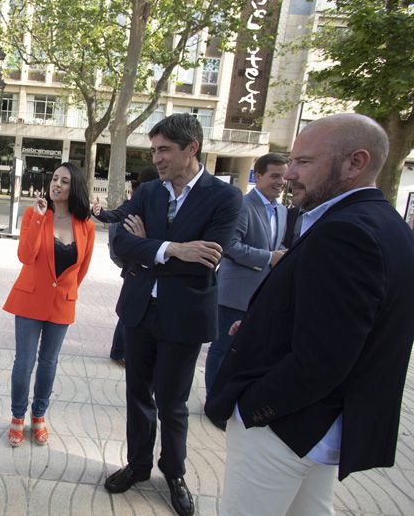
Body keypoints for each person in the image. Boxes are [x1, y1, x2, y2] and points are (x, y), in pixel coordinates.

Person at [205, 113, 414, 515]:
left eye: (304, 162)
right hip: (319, 426)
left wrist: (252, 408)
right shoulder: (386, 225)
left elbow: (324, 359)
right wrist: (263, 327)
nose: (290, 174)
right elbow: (344, 323)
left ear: (355, 162)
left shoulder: (346, 232)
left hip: (287, 426)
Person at [104, 113, 241, 516]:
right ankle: (139, 465)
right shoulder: (149, 192)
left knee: (172, 400)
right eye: (154, 150)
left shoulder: (225, 197)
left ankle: (174, 472)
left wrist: (154, 247)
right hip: (140, 309)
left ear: (191, 148)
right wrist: (174, 249)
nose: (157, 158)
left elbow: (206, 260)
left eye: (164, 149)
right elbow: (124, 244)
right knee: (137, 394)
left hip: (184, 317)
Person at [2, 162, 95, 447]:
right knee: (24, 363)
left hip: (61, 304)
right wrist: (40, 219)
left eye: (64, 181)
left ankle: (39, 415)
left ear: (74, 187)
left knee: (49, 364)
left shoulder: (86, 225)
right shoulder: (34, 214)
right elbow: (25, 256)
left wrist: (64, 294)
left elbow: (82, 270)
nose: (56, 184)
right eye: (54, 178)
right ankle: (18, 417)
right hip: (29, 299)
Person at [204, 153, 288, 427]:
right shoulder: (242, 205)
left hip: (263, 294)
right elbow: (229, 246)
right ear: (258, 176)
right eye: (275, 176)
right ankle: (214, 404)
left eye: (284, 176)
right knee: (223, 349)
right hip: (235, 293)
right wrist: (269, 257)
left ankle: (229, 399)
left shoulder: (282, 210)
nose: (281, 182)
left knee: (247, 351)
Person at [91, 166, 159, 367]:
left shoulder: (163, 204)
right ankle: (119, 351)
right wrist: (100, 212)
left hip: (146, 267)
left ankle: (123, 350)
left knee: (133, 308)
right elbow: (116, 215)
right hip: (135, 266)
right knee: (130, 309)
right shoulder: (137, 202)